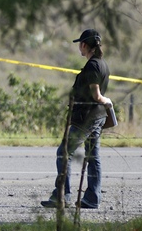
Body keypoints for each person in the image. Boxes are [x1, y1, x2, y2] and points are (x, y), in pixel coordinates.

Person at [41, 29, 112, 209]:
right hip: (97, 116)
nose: (79, 47)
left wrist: (107, 101)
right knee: (93, 156)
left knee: (63, 151)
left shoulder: (92, 66)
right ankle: (92, 198)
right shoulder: (103, 65)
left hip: (86, 118)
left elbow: (97, 95)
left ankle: (62, 195)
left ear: (84, 45)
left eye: (80, 44)